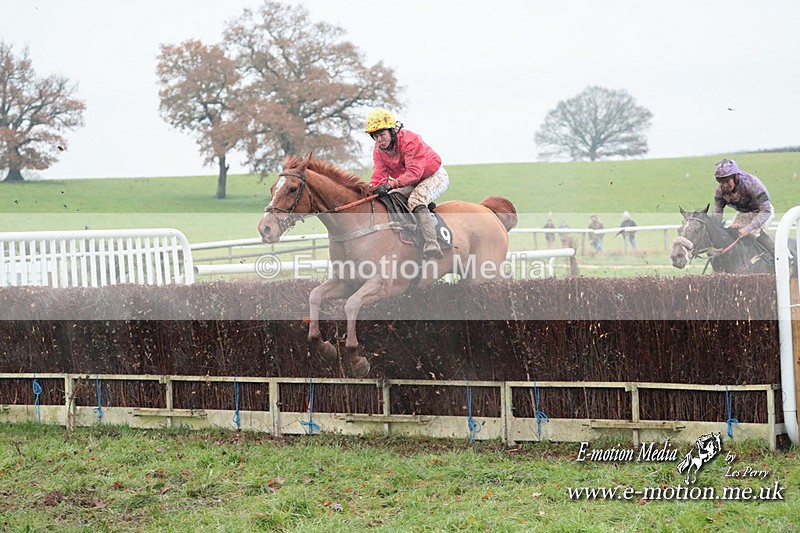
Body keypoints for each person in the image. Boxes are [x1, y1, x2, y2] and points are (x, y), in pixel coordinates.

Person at [365, 108, 449, 259]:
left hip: (434, 176)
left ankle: (432, 243)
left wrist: (391, 185)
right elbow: (379, 174)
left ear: (392, 131)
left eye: (382, 135)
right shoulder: (379, 150)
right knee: (391, 197)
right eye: (375, 136)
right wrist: (370, 189)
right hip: (410, 181)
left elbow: (414, 172)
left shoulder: (410, 140)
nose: (379, 140)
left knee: (416, 199)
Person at [712, 158, 775, 255]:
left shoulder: (751, 184)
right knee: (729, 233)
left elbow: (766, 210)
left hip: (762, 212)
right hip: (743, 213)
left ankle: (785, 257)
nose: (724, 185)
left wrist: (748, 229)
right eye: (721, 181)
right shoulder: (720, 191)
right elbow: (717, 213)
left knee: (755, 233)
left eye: (727, 181)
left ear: (736, 177)